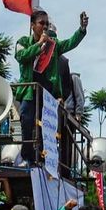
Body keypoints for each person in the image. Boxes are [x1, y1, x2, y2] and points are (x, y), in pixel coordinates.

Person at [14, 9, 87, 163]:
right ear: (32, 25)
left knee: (46, 126)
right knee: (27, 122)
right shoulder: (23, 42)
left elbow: (69, 43)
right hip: (29, 92)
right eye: (41, 23)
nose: (45, 27)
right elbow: (21, 56)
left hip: (48, 94)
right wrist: (39, 44)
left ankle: (43, 157)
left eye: (47, 24)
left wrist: (81, 30)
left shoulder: (52, 45)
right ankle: (27, 154)